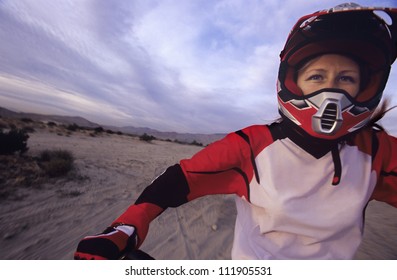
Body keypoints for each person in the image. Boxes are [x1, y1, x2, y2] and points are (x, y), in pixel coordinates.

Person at [74, 3, 397, 260]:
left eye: (346, 79)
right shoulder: (253, 145)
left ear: (365, 87)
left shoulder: (376, 151)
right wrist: (127, 225)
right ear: (293, 81)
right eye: (317, 77)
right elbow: (181, 178)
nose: (332, 91)